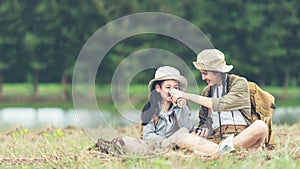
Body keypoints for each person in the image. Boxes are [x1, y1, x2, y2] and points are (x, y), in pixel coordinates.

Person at [92, 66, 208, 155]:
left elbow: (188, 129)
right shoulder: (151, 110)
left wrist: (180, 107)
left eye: (176, 88)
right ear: (158, 88)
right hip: (156, 145)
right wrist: (165, 141)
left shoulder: (181, 107)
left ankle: (215, 150)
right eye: (168, 87)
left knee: (183, 131)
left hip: (177, 144)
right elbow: (147, 136)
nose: (172, 91)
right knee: (127, 142)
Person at [171, 49, 268, 151]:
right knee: (181, 136)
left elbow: (221, 104)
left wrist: (188, 96)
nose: (203, 78)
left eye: (205, 73)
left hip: (241, 137)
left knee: (260, 126)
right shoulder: (207, 92)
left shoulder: (239, 83)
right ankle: (224, 150)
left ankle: (223, 150)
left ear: (218, 71)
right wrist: (204, 129)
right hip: (216, 140)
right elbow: (204, 121)